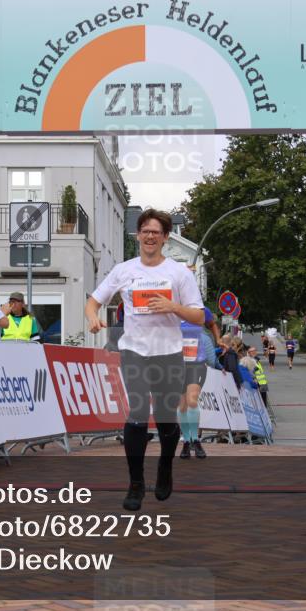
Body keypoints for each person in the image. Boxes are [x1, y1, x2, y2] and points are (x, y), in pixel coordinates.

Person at [85, 209, 204, 512]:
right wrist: (93, 318)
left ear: (165, 238)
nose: (150, 236)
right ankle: (136, 483)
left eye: (156, 232)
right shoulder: (123, 270)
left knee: (166, 418)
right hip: (134, 351)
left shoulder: (180, 273)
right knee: (137, 412)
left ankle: (165, 465)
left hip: (168, 353)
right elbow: (94, 301)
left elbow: (199, 316)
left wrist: (172, 306)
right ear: (137, 235)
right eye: (145, 231)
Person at [178, 306, 221, 460]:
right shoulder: (173, 307)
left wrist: (218, 339)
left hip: (197, 363)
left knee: (192, 400)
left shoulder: (202, 309)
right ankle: (186, 441)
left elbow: (212, 324)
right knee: (182, 406)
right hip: (178, 365)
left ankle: (195, 440)